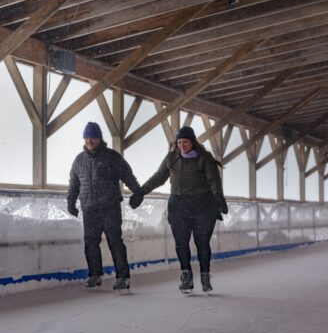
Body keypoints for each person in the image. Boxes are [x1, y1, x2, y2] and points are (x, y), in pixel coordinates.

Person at [129, 126, 227, 293]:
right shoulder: (172, 158)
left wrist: (219, 198)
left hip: (202, 205)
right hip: (179, 206)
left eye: (185, 142)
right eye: (179, 142)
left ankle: (205, 275)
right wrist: (141, 192)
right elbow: (158, 177)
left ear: (193, 142)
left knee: (202, 242)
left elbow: (213, 181)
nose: (182, 145)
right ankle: (186, 276)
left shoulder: (204, 158)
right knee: (181, 243)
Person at [67, 122, 143, 292]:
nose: (89, 140)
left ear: (99, 138)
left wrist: (137, 191)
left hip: (110, 207)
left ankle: (123, 277)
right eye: (86, 137)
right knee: (90, 243)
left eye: (92, 137)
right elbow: (74, 184)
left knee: (115, 242)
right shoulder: (79, 160)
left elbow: (127, 174)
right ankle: (95, 275)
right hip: (89, 209)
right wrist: (70, 202)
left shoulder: (111, 157)